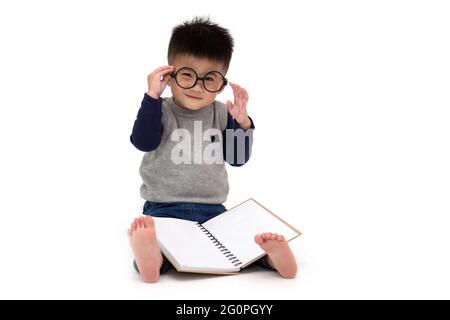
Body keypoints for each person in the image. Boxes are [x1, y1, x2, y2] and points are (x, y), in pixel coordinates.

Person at [128, 17, 297, 282]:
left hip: (213, 210)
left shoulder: (221, 113)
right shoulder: (160, 110)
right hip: (163, 209)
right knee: (167, 244)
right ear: (169, 76)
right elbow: (143, 142)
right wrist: (151, 97)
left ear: (221, 84)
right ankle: (152, 259)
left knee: (236, 245)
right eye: (187, 75)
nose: (198, 86)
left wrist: (242, 123)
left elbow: (237, 159)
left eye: (210, 79)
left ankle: (271, 256)